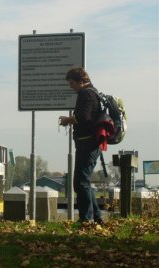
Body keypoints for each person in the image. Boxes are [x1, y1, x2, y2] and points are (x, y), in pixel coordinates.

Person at [59, 67, 104, 225]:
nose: (71, 87)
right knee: (85, 181)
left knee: (80, 182)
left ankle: (87, 219)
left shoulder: (85, 93)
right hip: (92, 143)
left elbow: (84, 117)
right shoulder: (94, 92)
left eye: (72, 83)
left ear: (81, 81)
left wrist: (68, 120)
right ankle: (97, 217)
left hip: (87, 143)